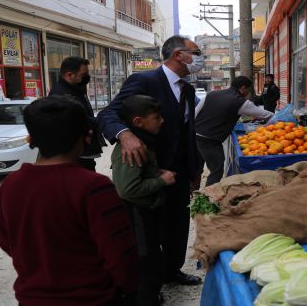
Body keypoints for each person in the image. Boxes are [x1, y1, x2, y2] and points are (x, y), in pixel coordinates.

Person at [0, 95, 139, 306]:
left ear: (31, 139)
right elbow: (121, 257)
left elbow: (8, 243)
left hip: (30, 299)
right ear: (87, 137)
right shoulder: (94, 187)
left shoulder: (10, 185)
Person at [98, 35, 203, 286]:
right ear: (179, 55)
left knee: (177, 225)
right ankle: (149, 282)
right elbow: (109, 113)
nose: (199, 58)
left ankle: (172, 270)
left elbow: (187, 130)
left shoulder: (187, 89)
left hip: (178, 172)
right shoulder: (144, 80)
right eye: (196, 53)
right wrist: (125, 135)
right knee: (148, 230)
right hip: (149, 170)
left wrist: (194, 167)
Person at [112, 95, 176, 306]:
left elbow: (139, 175)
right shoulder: (132, 147)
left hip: (147, 212)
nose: (162, 121)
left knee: (152, 259)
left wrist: (155, 173)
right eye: (156, 117)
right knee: (146, 263)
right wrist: (161, 181)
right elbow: (128, 189)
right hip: (137, 214)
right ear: (138, 122)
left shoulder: (144, 141)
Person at [195, 76, 274, 187]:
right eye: (248, 90)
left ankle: (194, 193)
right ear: (242, 88)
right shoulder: (240, 102)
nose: (248, 93)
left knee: (196, 168)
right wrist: (282, 118)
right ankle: (209, 197)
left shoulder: (212, 94)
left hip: (195, 135)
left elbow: (195, 113)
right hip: (210, 140)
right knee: (216, 170)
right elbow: (266, 114)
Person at [48, 56, 104, 171]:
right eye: (83, 75)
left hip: (82, 150)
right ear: (69, 75)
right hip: (75, 153)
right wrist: (102, 120)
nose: (86, 78)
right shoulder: (63, 94)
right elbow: (79, 120)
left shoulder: (76, 89)